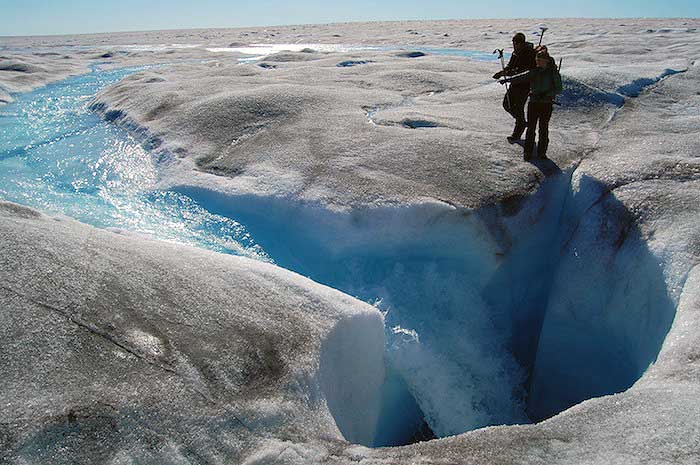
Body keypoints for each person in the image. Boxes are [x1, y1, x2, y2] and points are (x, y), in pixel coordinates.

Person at [500, 49, 562, 160]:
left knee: (543, 128)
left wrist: (547, 95)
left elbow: (558, 88)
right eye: (537, 60)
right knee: (531, 128)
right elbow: (523, 77)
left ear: (546, 61)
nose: (537, 62)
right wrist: (508, 80)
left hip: (546, 105)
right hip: (533, 103)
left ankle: (542, 153)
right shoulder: (535, 72)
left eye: (539, 60)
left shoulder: (553, 73)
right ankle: (528, 152)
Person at [492, 33, 536, 143]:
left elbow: (523, 70)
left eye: (515, 43)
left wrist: (508, 73)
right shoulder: (516, 52)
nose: (514, 45)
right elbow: (511, 65)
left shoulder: (528, 53)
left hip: (524, 85)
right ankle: (521, 122)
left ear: (520, 43)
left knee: (518, 107)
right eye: (513, 43)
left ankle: (517, 131)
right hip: (514, 83)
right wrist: (502, 72)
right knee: (507, 104)